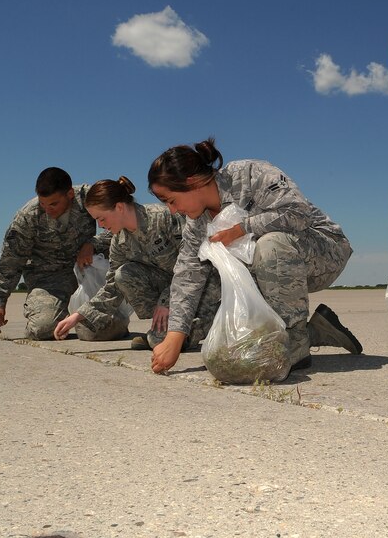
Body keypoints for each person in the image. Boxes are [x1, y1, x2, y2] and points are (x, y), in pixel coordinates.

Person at [146, 137, 363, 379]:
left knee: (270, 244)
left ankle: (296, 343)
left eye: (171, 200)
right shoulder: (197, 222)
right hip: (270, 272)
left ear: (193, 182)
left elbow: (298, 212)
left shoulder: (249, 174)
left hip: (322, 251)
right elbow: (188, 273)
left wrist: (242, 228)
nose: (172, 210)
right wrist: (175, 336)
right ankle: (317, 331)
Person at [53, 176, 213, 349]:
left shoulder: (163, 219)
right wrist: (77, 315)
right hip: (171, 293)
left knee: (161, 342)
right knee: (124, 274)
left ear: (119, 207)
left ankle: (199, 324)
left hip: (201, 284)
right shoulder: (119, 242)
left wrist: (167, 301)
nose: (100, 225)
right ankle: (163, 328)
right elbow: (112, 287)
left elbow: (196, 261)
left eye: (102, 218)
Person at [0, 167, 113, 340]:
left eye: (54, 204)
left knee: (101, 328)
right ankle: (64, 314)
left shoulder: (89, 198)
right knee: (43, 328)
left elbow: (121, 221)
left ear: (70, 194)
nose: (48, 210)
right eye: (43, 203)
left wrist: (93, 243)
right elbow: (11, 260)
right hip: (49, 279)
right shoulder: (28, 217)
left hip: (89, 271)